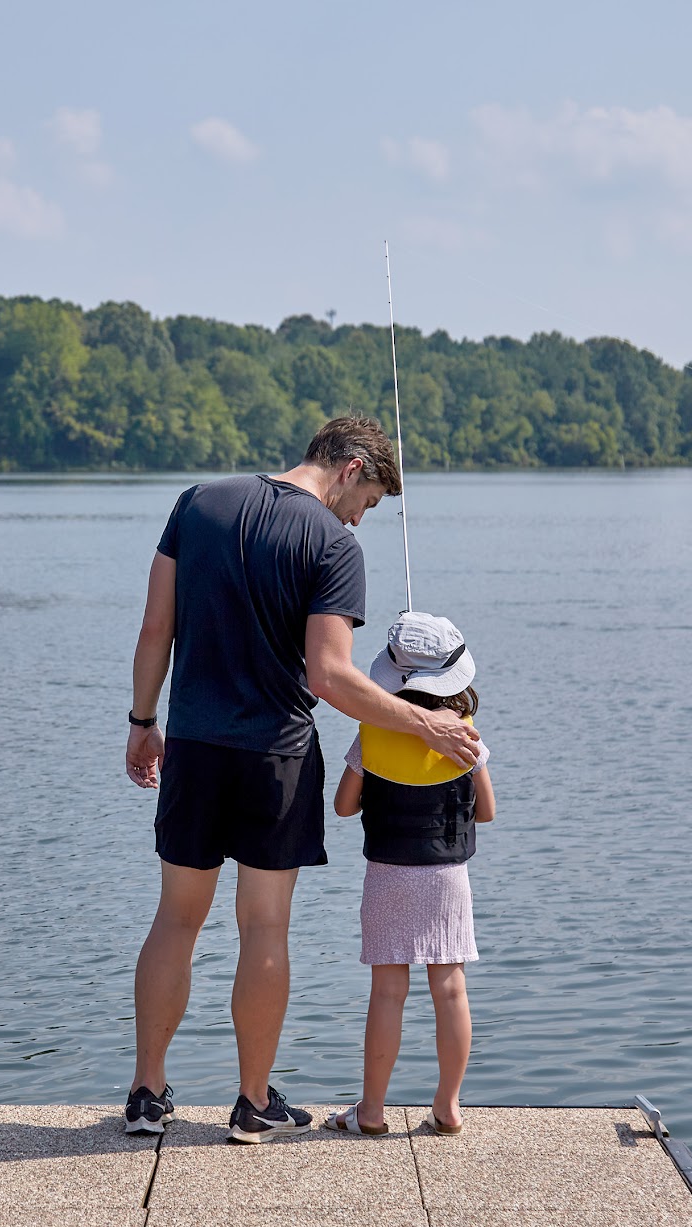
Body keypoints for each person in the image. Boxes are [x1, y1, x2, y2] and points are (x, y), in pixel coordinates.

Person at [123, 415, 482, 1144]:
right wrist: (428, 725)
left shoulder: (195, 503)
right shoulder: (332, 543)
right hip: (275, 758)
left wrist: (141, 720)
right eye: (370, 501)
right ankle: (252, 1102)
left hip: (191, 743)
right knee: (264, 925)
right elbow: (330, 676)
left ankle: (146, 1092)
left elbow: (155, 626)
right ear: (350, 468)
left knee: (175, 918)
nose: (362, 517)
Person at [322, 613, 494, 1139]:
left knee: (387, 994)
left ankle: (371, 1110)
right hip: (447, 875)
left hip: (389, 874)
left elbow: (344, 807)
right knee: (450, 990)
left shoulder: (371, 736)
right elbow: (485, 811)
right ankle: (447, 1106)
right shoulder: (467, 739)